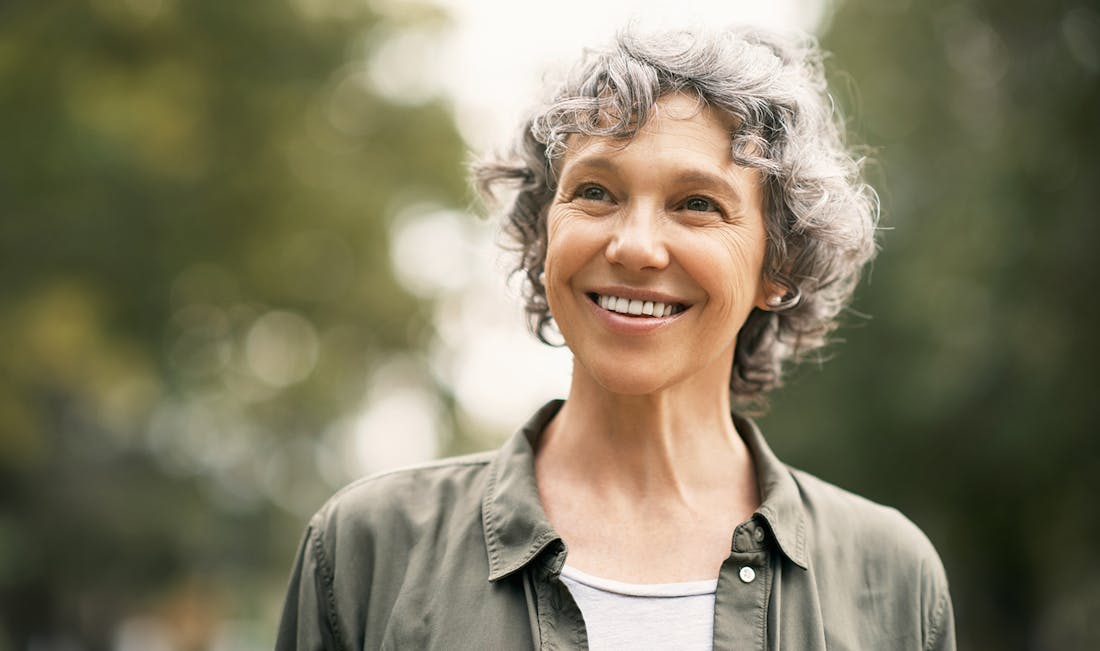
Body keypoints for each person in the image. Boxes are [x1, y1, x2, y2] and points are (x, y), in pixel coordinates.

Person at [276, 25, 955, 650]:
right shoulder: (367, 549)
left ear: (779, 266)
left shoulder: (891, 580)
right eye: (596, 192)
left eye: (697, 204)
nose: (635, 246)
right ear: (545, 235)